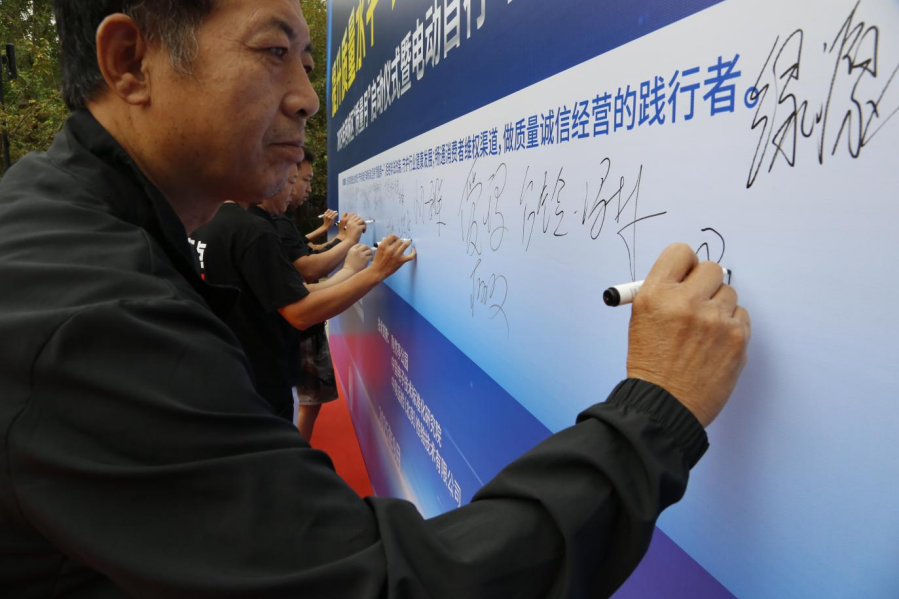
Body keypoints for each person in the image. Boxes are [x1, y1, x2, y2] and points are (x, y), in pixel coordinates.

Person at [0, 2, 750, 598]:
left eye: (306, 61)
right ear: (130, 61)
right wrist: (653, 414)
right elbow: (387, 583)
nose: (307, 99)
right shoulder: (90, 314)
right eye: (273, 51)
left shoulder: (77, 228)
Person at [190, 170, 377, 422]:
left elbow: (286, 290)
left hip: (222, 366)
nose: (292, 189)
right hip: (259, 373)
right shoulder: (254, 230)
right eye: (290, 179)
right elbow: (300, 311)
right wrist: (371, 272)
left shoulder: (201, 220)